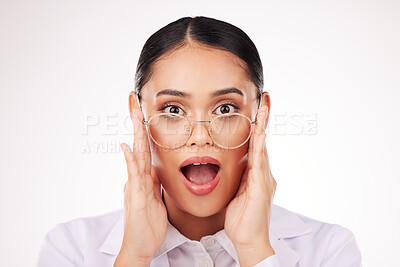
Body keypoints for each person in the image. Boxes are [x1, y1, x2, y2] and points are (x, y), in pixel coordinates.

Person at [37, 16, 362, 267]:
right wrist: (135, 256)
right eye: (173, 109)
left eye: (225, 108)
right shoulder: (71, 249)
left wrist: (255, 250)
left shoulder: (329, 249)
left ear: (260, 114)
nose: (201, 136)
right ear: (138, 115)